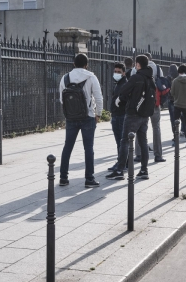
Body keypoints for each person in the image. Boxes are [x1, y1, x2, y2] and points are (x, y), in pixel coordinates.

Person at [106, 55, 156, 180]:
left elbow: (124, 90)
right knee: (143, 141)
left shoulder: (136, 77)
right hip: (144, 114)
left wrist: (120, 99)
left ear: (138, 65)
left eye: (135, 63)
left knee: (124, 141)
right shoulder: (150, 78)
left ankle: (120, 170)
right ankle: (144, 169)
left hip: (133, 113)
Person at [59, 53, 103, 188]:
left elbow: (62, 99)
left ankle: (63, 178)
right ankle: (89, 179)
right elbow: (98, 97)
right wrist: (98, 114)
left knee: (68, 146)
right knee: (88, 148)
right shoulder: (91, 77)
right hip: (88, 117)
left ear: (74, 64)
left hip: (71, 117)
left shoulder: (65, 78)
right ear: (86, 64)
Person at [171, 64, 186, 147]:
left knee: (175, 122)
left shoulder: (175, 81)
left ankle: (175, 140)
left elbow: (172, 93)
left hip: (177, 104)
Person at [109, 62, 127, 171]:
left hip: (120, 115)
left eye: (119, 72)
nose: (116, 74)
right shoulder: (119, 83)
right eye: (115, 72)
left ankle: (121, 163)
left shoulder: (123, 84)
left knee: (120, 141)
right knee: (121, 141)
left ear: (124, 73)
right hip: (117, 115)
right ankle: (123, 162)